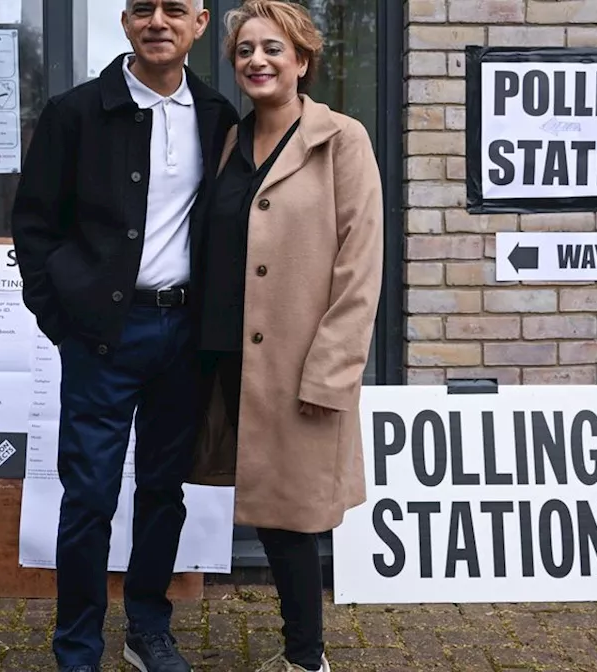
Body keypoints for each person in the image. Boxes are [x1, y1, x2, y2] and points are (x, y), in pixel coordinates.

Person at [10, 1, 238, 670]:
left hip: (185, 336)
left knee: (165, 491)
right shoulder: (75, 113)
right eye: (143, 8)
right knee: (89, 495)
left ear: (199, 23)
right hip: (103, 337)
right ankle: (78, 646)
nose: (157, 20)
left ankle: (147, 629)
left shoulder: (219, 116)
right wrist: (64, 320)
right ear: (125, 22)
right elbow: (34, 226)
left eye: (174, 9)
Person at [188, 1, 383, 671]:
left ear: (301, 60)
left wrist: (331, 370)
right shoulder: (226, 141)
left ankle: (307, 659)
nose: (257, 61)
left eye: (273, 49)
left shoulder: (342, 140)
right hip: (223, 357)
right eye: (244, 51)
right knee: (260, 509)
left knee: (291, 519)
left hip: (298, 363)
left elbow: (361, 267)